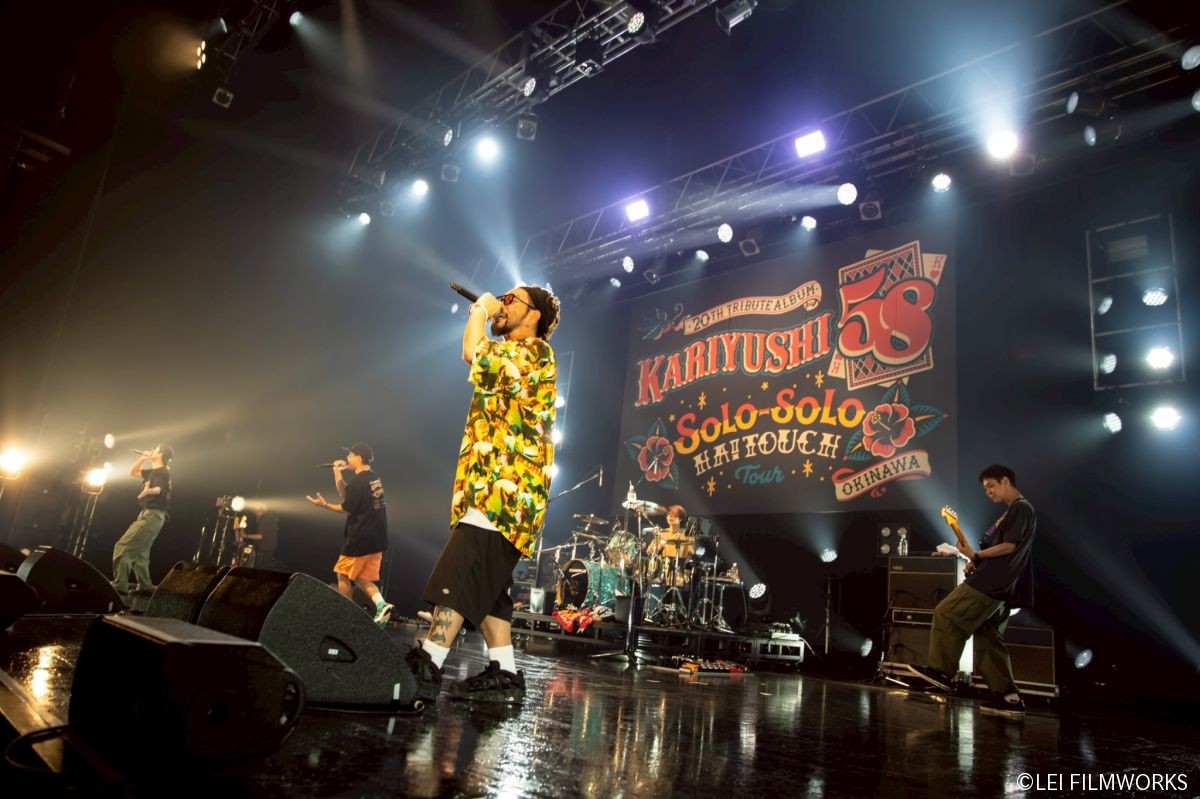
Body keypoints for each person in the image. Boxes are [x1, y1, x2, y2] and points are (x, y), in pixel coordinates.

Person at [406, 284, 559, 704]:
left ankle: (428, 662)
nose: (502, 304)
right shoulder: (512, 353)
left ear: (534, 316)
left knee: (460, 573)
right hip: (489, 490)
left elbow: (472, 351)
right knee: (490, 591)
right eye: (501, 299)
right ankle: (505, 673)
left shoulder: (536, 353)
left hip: (503, 495)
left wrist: (481, 307)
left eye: (512, 300)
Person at [920, 464, 1036, 715]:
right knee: (988, 638)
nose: (988, 492)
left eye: (991, 486)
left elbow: (1009, 547)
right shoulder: (1011, 512)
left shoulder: (1021, 508)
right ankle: (1008, 698)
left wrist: (977, 555)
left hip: (990, 584)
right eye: (985, 489)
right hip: (1002, 589)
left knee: (947, 613)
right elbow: (1001, 550)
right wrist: (975, 560)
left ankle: (940, 673)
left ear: (1006, 481)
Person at [306, 442, 393, 626]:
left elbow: (346, 508)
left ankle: (346, 615)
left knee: (343, 574)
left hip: (360, 538)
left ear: (358, 458)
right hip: (377, 538)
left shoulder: (358, 481)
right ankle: (382, 605)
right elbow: (347, 494)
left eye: (350, 456)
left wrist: (324, 505)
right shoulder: (373, 478)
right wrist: (337, 472)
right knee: (362, 578)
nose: (347, 459)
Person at [111, 444, 174, 594]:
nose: (151, 450)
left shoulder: (163, 472)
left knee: (123, 546)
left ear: (161, 454)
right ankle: (145, 586)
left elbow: (159, 489)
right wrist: (142, 458)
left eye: (155, 449)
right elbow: (132, 472)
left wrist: (148, 491)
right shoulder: (152, 472)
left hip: (153, 515)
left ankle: (120, 585)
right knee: (141, 554)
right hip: (149, 514)